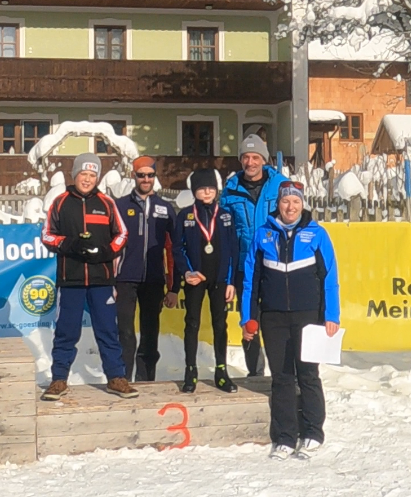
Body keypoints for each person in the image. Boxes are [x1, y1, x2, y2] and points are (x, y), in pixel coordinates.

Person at [241, 180, 340, 461]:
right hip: (273, 318)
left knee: (308, 374)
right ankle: (285, 436)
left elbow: (330, 278)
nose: (291, 207)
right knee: (282, 377)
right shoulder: (263, 235)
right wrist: (248, 318)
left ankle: (312, 433)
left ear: (302, 204)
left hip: (308, 316)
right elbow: (251, 280)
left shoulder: (317, 234)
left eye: (296, 201)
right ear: (278, 204)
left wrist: (331, 316)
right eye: (286, 201)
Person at [40, 154, 136, 400]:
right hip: (70, 278)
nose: (87, 179)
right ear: (75, 175)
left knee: (108, 330)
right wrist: (70, 245)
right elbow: (47, 235)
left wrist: (105, 251)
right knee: (66, 331)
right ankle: (59, 379)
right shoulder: (61, 202)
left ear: (97, 178)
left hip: (101, 278)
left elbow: (122, 235)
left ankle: (116, 378)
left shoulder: (106, 203)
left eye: (92, 175)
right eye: (83, 174)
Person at [221, 134, 285, 377]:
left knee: (277, 321)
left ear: (264, 160)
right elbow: (226, 239)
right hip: (243, 267)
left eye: (255, 157)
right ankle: (255, 372)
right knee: (249, 321)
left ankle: (282, 373)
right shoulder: (230, 191)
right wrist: (228, 277)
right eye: (246, 157)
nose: (250, 162)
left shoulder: (280, 186)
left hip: (274, 265)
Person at [173, 168, 239, 394]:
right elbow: (177, 249)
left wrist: (230, 281)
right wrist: (187, 273)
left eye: (211, 188)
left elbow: (233, 250)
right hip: (195, 280)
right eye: (202, 189)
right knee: (191, 323)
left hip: (220, 279)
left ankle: (222, 371)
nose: (207, 192)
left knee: (220, 324)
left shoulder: (226, 215)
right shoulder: (185, 215)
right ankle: (190, 371)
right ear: (194, 191)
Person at [114, 156, 178, 381]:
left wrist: (173, 287)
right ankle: (122, 378)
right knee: (125, 332)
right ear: (134, 176)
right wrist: (111, 280)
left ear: (155, 177)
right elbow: (111, 246)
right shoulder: (120, 206)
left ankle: (146, 379)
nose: (146, 179)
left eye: (150, 175)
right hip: (125, 278)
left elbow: (173, 250)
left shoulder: (165, 208)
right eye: (141, 175)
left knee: (150, 333)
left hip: (153, 279)